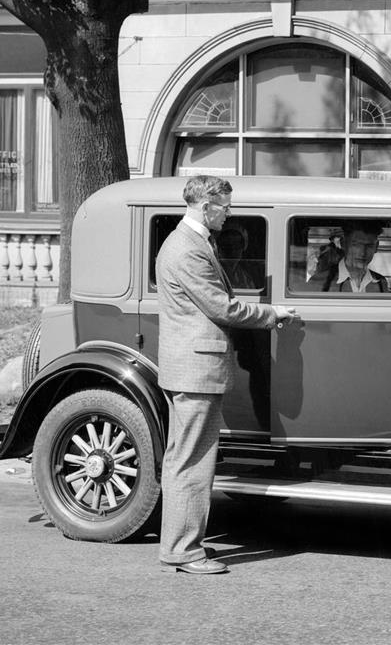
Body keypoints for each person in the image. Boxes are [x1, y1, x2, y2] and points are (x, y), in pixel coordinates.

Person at [155, 175, 296, 574]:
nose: (229, 214)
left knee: (183, 457)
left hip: (190, 367)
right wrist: (272, 315)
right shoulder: (188, 249)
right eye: (226, 207)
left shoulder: (191, 243)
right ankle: (183, 550)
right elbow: (223, 308)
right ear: (205, 207)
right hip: (195, 369)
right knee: (192, 460)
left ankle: (179, 543)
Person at [311, 220, 389, 293]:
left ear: (376, 247)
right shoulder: (320, 280)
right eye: (356, 245)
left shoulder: (381, 282)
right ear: (343, 244)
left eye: (369, 246)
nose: (362, 253)